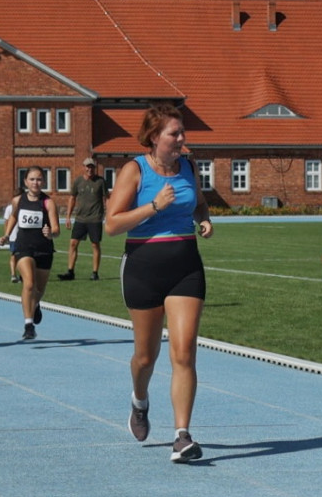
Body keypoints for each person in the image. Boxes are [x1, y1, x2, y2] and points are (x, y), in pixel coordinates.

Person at [104, 104, 213, 464]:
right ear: (154, 137)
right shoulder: (134, 170)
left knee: (184, 352)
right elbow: (112, 224)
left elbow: (197, 203)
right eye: (175, 134)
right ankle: (139, 400)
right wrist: (154, 205)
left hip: (185, 265)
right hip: (143, 266)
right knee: (145, 357)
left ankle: (182, 435)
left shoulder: (188, 166)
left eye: (182, 133)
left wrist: (204, 218)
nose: (182, 139)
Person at [0, 166, 60, 340]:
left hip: (44, 249)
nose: (35, 182)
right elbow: (14, 217)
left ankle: (36, 303)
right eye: (32, 179)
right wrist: (7, 234)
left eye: (39, 179)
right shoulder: (18, 200)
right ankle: (28, 324)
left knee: (39, 289)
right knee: (29, 283)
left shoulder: (48, 203)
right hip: (23, 248)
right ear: (25, 181)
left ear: (44, 182)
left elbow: (56, 229)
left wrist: (51, 233)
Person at [58, 157, 109, 281]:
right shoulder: (78, 181)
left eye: (91, 167)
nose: (89, 169)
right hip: (80, 218)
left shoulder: (100, 181)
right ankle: (70, 272)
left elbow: (107, 198)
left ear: (94, 168)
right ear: (84, 167)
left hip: (95, 218)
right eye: (87, 166)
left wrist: (108, 215)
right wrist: (68, 216)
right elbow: (72, 198)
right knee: (73, 243)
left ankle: (95, 273)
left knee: (95, 244)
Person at [3, 194, 21, 283]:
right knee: (14, 255)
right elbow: (6, 222)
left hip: (23, 237)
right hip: (13, 236)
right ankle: (13, 274)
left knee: (23, 256)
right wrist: (6, 235)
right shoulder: (10, 208)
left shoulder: (26, 207)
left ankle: (22, 275)